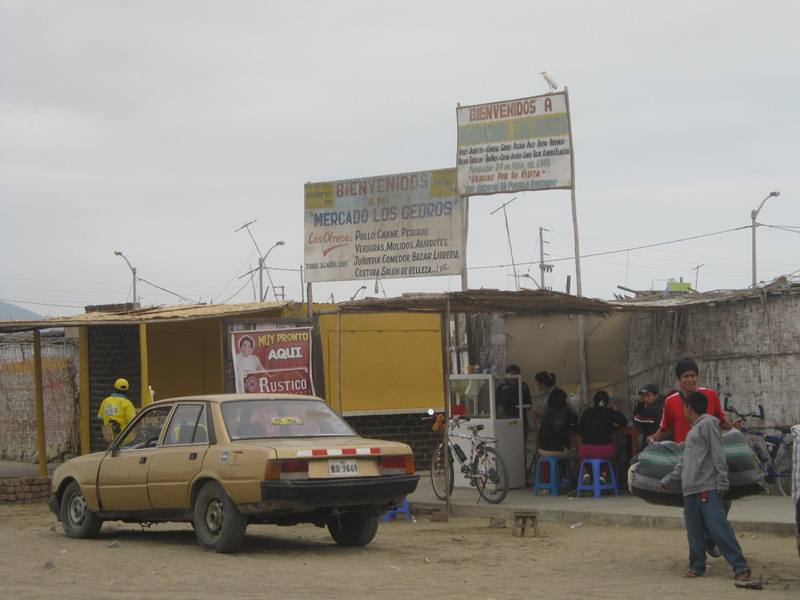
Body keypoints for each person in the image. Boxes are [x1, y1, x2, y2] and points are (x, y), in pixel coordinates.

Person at [657, 391, 751, 580]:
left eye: (684, 407)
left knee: (719, 528)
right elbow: (684, 462)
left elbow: (718, 453)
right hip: (690, 490)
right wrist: (668, 480)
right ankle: (697, 566)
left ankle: (740, 567)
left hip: (707, 488)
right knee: (694, 532)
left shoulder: (708, 424)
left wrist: (722, 480)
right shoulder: (692, 432)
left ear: (688, 408)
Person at [649, 358, 732, 444]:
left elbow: (721, 422)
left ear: (697, 377)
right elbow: (665, 428)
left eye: (693, 376)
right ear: (679, 379)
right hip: (683, 452)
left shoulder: (711, 395)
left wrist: (734, 430)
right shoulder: (670, 401)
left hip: (707, 451)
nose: (690, 380)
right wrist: (654, 438)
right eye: (686, 376)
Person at [577, 390, 628, 483]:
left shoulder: (586, 412)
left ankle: (586, 473)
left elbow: (580, 430)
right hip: (604, 451)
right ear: (607, 402)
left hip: (586, 451)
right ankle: (603, 475)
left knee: (586, 452)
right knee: (613, 450)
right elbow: (624, 422)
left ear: (594, 401)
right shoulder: (610, 412)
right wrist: (616, 411)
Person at [495, 364, 532, 437]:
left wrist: (524, 406)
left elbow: (529, 403)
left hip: (521, 420)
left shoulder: (523, 386)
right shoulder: (501, 387)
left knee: (521, 443)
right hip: (506, 420)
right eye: (511, 375)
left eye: (515, 375)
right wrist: (500, 410)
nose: (513, 378)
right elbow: (496, 404)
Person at [97, 377, 137, 443]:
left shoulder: (105, 401)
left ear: (114, 388)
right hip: (126, 441)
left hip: (110, 440)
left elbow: (100, 418)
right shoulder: (127, 404)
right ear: (127, 391)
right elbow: (133, 422)